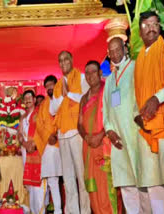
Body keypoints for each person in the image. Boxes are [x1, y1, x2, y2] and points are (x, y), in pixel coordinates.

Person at [134, 11, 164, 213]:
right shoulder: (139, 59)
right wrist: (139, 114)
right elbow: (139, 93)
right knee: (154, 182)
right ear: (140, 31)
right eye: (146, 24)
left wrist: (156, 98)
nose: (152, 28)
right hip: (148, 127)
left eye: (155, 24)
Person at [103, 37, 151, 213]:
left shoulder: (136, 67)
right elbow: (106, 110)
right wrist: (109, 130)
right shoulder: (109, 80)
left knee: (143, 181)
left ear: (125, 49)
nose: (115, 54)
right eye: (111, 51)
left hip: (135, 134)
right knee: (126, 184)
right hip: (118, 140)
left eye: (117, 49)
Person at [49, 51, 90, 214]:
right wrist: (62, 96)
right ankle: (73, 211)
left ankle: (85, 211)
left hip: (77, 133)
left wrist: (69, 94)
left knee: (81, 176)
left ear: (72, 60)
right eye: (60, 60)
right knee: (68, 178)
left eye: (66, 59)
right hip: (63, 135)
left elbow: (85, 98)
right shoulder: (58, 85)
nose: (63, 62)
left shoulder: (81, 78)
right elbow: (53, 109)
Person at [79, 61, 120, 214]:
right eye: (87, 73)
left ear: (100, 73)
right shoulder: (84, 98)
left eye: (93, 72)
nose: (90, 76)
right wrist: (87, 137)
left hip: (105, 147)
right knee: (93, 190)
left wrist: (99, 136)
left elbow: (117, 115)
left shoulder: (111, 90)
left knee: (107, 190)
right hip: (88, 149)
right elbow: (79, 124)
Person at [34, 75, 62, 214]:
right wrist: (48, 136)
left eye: (52, 85)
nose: (50, 87)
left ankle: (59, 209)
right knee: (51, 180)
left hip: (61, 144)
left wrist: (56, 135)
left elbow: (65, 119)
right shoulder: (43, 104)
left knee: (62, 180)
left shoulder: (62, 100)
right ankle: (54, 210)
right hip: (48, 146)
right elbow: (39, 125)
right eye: (47, 86)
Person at [20, 90, 47, 214]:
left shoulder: (40, 112)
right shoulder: (23, 117)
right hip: (26, 153)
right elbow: (20, 134)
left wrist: (34, 144)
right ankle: (33, 211)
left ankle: (41, 211)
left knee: (39, 186)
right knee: (30, 187)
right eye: (25, 98)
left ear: (35, 99)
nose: (27, 100)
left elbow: (43, 131)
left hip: (37, 152)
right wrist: (25, 144)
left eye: (30, 97)